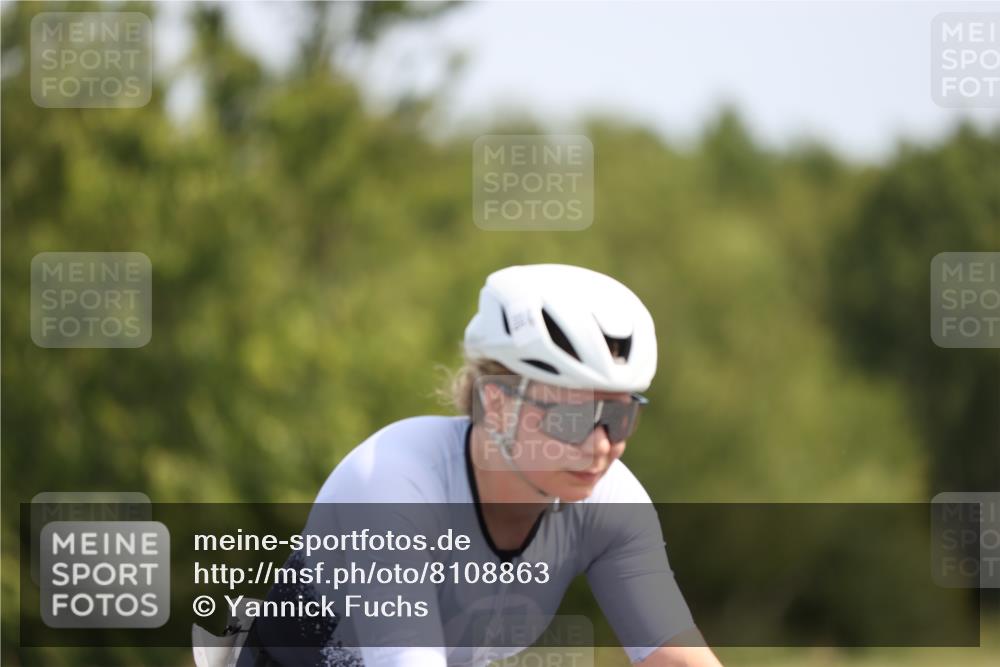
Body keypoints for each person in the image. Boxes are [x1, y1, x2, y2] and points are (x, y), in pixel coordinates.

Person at [224, 264, 723, 667]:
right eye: (572, 417)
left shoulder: (612, 500)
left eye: (619, 416)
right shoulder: (391, 484)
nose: (600, 447)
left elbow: (675, 659)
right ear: (496, 404)